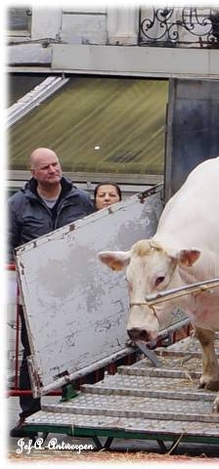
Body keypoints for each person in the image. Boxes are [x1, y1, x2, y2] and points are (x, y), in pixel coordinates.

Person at [8, 147, 95, 438]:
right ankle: (29, 414)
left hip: (73, 287)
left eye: (55, 164)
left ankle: (75, 413)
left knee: (79, 347)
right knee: (32, 353)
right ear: (33, 173)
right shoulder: (17, 205)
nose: (52, 170)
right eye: (45, 167)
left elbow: (91, 236)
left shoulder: (80, 199)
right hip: (36, 294)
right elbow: (7, 243)